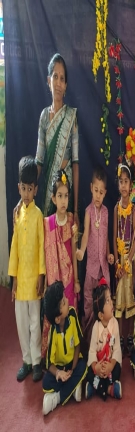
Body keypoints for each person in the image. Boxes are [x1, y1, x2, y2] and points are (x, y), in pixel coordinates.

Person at [8, 156, 45, 382]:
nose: (26, 193)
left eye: (30, 189)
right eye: (23, 188)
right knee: (21, 323)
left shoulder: (38, 215)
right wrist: (13, 279)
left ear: (36, 190)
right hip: (20, 282)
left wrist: (41, 276)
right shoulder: (17, 214)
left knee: (34, 323)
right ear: (18, 188)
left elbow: (41, 247)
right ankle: (26, 360)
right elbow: (14, 248)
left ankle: (37, 361)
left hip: (34, 282)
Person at [36, 53, 79, 225]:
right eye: (55, 77)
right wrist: (28, 193)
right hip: (49, 192)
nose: (58, 83)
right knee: (48, 237)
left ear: (66, 85)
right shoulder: (44, 117)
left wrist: (75, 210)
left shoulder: (71, 116)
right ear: (49, 81)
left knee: (67, 239)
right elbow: (39, 160)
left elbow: (75, 163)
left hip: (66, 194)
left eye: (62, 79)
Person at [42, 170, 80, 360]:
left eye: (66, 196)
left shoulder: (71, 220)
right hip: (54, 283)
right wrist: (45, 283)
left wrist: (77, 279)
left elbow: (73, 252)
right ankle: (54, 355)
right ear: (53, 198)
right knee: (56, 315)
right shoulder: (47, 223)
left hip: (69, 280)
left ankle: (72, 353)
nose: (63, 200)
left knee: (70, 315)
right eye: (60, 196)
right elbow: (46, 257)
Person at [76, 166, 114, 341]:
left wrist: (109, 254)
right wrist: (81, 251)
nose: (98, 195)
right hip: (91, 268)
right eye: (95, 190)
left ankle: (104, 339)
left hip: (103, 268)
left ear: (105, 193)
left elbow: (106, 238)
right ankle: (89, 338)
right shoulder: (88, 212)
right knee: (89, 302)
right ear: (91, 188)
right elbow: (85, 235)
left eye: (101, 192)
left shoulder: (106, 212)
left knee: (104, 301)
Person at [42, 281, 87, 416]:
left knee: (83, 367)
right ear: (57, 319)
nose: (67, 300)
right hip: (60, 368)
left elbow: (78, 345)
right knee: (46, 382)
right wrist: (59, 373)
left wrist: (72, 369)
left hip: (73, 363)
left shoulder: (72, 314)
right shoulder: (53, 332)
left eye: (64, 297)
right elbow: (49, 364)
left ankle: (57, 398)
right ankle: (73, 388)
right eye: (63, 302)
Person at [113, 161, 135, 355]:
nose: (123, 185)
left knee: (130, 299)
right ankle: (119, 338)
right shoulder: (116, 209)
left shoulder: (134, 210)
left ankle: (130, 336)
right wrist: (117, 262)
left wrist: (128, 260)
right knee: (119, 301)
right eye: (121, 181)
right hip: (119, 261)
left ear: (131, 185)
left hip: (130, 260)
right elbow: (114, 235)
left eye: (126, 182)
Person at [85, 279, 122, 401]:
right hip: (99, 364)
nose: (111, 303)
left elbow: (116, 349)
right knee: (88, 372)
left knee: (117, 370)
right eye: (107, 301)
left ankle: (96, 388)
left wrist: (111, 365)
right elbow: (92, 351)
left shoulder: (115, 324)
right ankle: (109, 389)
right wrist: (96, 367)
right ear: (101, 315)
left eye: (110, 299)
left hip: (109, 364)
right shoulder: (96, 328)